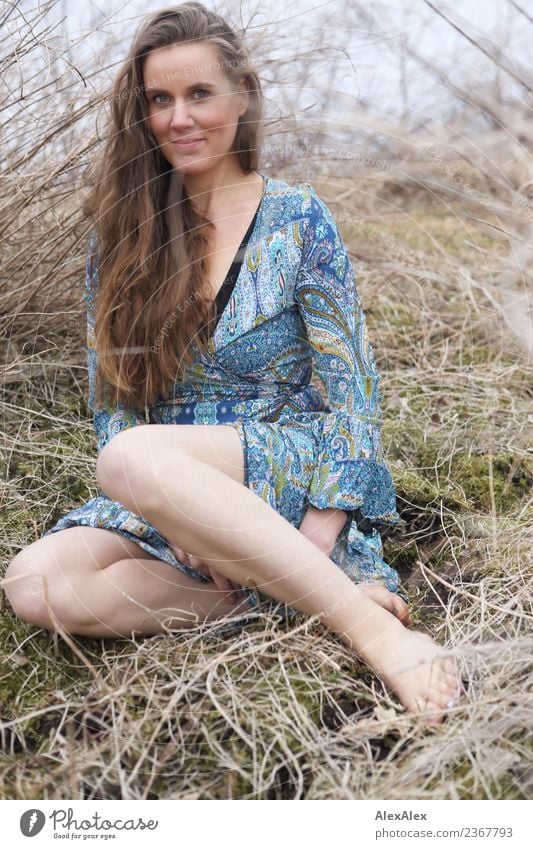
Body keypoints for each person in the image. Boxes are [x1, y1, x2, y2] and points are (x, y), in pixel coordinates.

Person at [3, 2, 462, 723]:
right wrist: (182, 521)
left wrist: (327, 515)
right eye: (160, 99)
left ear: (240, 95)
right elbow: (114, 400)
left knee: (129, 457)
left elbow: (353, 393)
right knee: (36, 583)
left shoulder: (297, 219)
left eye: (198, 94)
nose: (179, 117)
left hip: (284, 461)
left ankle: (370, 628)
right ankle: (287, 600)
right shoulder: (123, 237)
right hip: (168, 484)